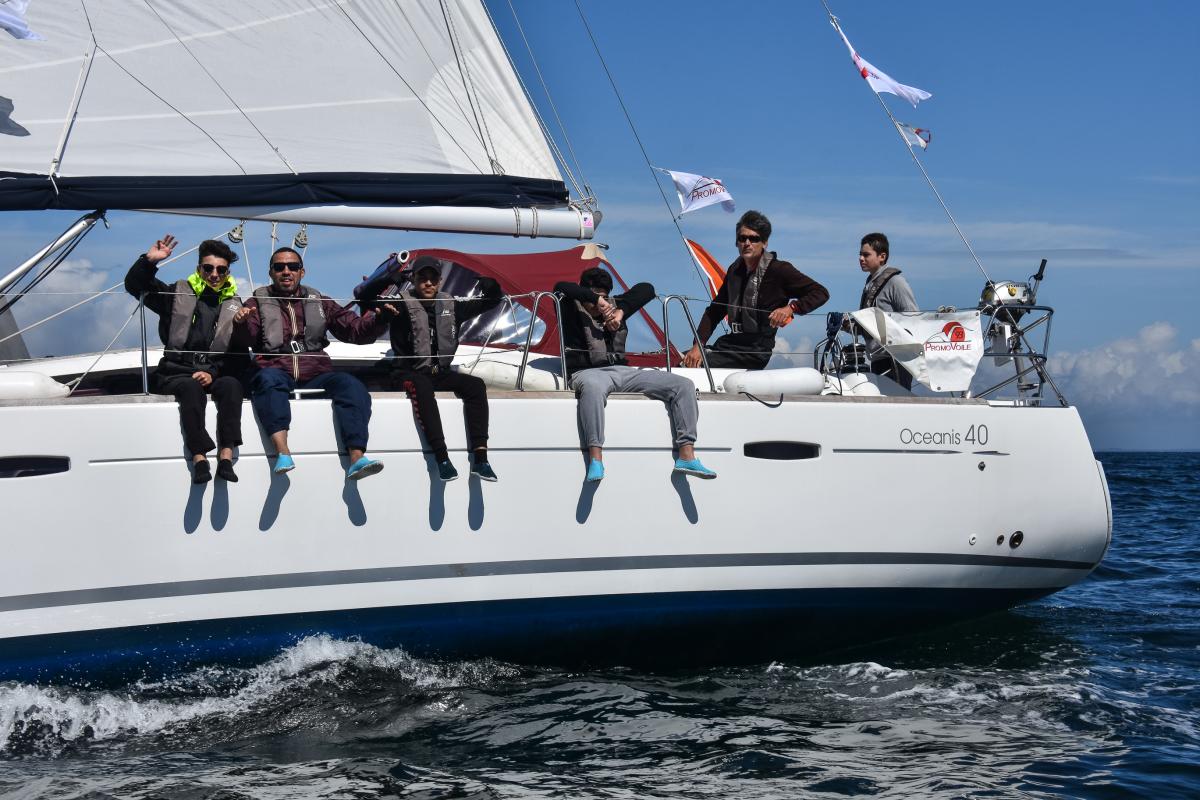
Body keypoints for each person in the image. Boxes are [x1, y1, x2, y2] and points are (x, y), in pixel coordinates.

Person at [234, 247, 392, 480]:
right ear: (271, 272)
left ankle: (357, 457)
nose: (286, 271)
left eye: (292, 267)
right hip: (275, 369)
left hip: (316, 372)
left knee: (352, 385)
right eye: (279, 267)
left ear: (302, 272)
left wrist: (379, 321)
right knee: (267, 380)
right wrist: (240, 323)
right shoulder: (256, 303)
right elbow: (245, 339)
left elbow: (354, 330)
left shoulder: (320, 302)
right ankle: (283, 452)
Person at [555, 267, 717, 483]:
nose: (597, 305)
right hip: (586, 372)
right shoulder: (568, 305)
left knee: (684, 385)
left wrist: (621, 311)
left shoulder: (615, 307)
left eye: (603, 297)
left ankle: (687, 456)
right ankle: (595, 460)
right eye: (593, 298)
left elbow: (647, 289)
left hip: (623, 372)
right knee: (593, 388)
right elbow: (560, 286)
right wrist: (596, 300)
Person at [124, 234, 248, 484]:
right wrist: (150, 261)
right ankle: (199, 458)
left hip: (214, 372)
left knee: (232, 386)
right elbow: (135, 285)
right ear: (199, 268)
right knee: (191, 388)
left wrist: (211, 373)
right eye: (208, 268)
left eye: (221, 270)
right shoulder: (175, 295)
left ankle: (226, 456)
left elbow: (238, 356)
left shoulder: (235, 306)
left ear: (227, 273)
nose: (214, 274)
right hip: (176, 371)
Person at [378, 255, 504, 482]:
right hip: (408, 373)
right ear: (413, 280)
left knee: (476, 385)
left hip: (439, 373)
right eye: (422, 278)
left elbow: (492, 301)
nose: (428, 283)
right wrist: (387, 281)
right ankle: (442, 458)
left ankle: (481, 459)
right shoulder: (400, 306)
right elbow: (367, 301)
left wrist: (492, 287)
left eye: (433, 278)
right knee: (422, 385)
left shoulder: (451, 306)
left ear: (440, 281)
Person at [683, 210, 829, 370]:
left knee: (691, 366)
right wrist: (698, 344)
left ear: (764, 243)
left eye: (753, 239)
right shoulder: (734, 271)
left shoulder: (780, 270)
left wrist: (791, 308)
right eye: (742, 238)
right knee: (680, 359)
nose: (747, 243)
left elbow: (820, 292)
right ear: (736, 242)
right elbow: (714, 312)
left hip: (754, 352)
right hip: (729, 344)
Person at [857, 232, 918, 390]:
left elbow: (913, 318)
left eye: (866, 255)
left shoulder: (896, 282)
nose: (861, 258)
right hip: (877, 359)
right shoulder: (870, 285)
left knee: (897, 402)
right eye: (860, 254)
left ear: (882, 257)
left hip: (896, 361)